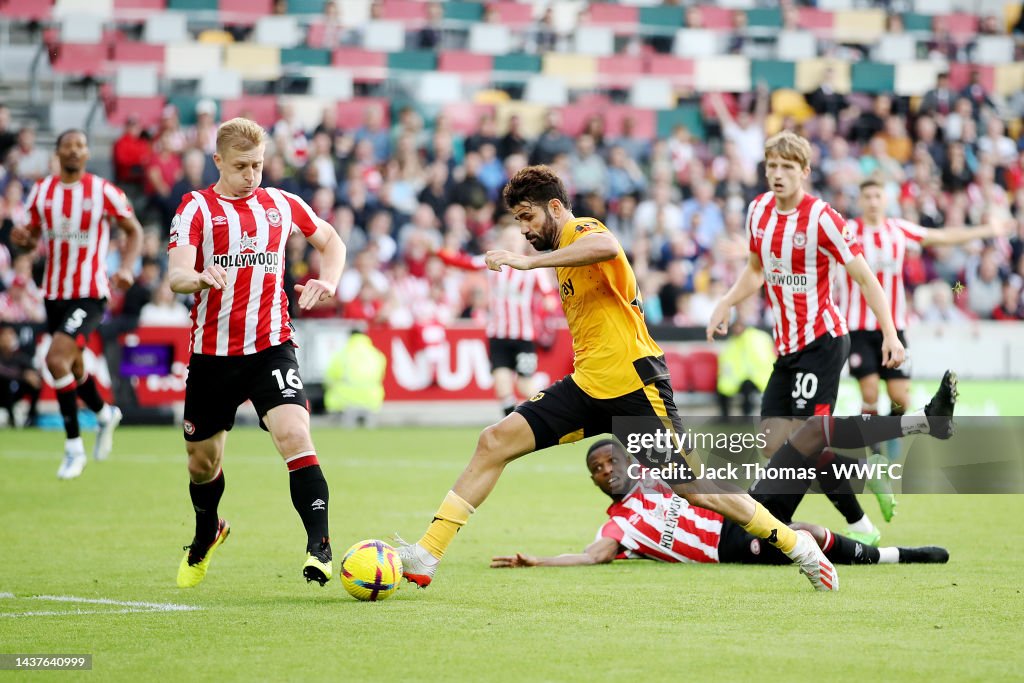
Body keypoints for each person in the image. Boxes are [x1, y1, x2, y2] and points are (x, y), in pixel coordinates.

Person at [396, 165, 843, 593]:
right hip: (588, 386)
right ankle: (426, 554)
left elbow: (608, 247)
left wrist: (529, 262)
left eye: (527, 216)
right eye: (517, 221)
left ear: (554, 207)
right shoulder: (562, 253)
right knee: (495, 440)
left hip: (635, 386)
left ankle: (797, 546)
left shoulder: (580, 230)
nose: (524, 230)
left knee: (695, 490)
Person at [166, 118, 347, 589]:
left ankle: (320, 547)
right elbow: (177, 274)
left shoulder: (282, 204)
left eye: (259, 165)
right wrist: (199, 277)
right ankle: (209, 531)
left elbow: (332, 241)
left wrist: (329, 280)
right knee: (201, 463)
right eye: (243, 166)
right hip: (212, 356)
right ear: (219, 161)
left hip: (271, 348)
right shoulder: (195, 209)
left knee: (295, 435)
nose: (252, 175)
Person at [707, 131, 907, 547]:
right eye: (772, 166)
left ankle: (855, 528)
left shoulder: (822, 218)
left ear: (805, 172)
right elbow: (756, 270)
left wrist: (890, 333)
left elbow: (866, 279)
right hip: (787, 348)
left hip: (823, 342)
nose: (777, 175)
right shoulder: (758, 210)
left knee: (805, 442)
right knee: (773, 445)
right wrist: (726, 302)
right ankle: (863, 479)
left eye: (787, 167)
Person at [491, 438, 949, 569]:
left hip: (741, 508)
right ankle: (897, 554)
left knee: (808, 442)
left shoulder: (661, 473)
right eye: (597, 469)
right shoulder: (620, 524)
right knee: (804, 535)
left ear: (629, 461)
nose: (606, 470)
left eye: (611, 461)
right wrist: (538, 561)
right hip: (728, 544)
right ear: (594, 481)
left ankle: (865, 486)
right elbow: (593, 556)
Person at [838, 179, 1007, 515]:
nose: (872, 201)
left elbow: (942, 236)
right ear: (861, 200)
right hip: (858, 327)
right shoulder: (847, 231)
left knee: (901, 396)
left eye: (877, 195)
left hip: (895, 327)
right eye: (867, 195)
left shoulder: (898, 230)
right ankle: (875, 459)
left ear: (884, 199)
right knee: (870, 392)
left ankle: (890, 440)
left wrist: (985, 229)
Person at [11, 129, 142, 479]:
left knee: (55, 360)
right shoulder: (42, 191)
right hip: (54, 294)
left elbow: (134, 230)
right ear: (58, 152)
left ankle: (73, 447)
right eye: (68, 145)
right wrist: (20, 240)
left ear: (86, 153)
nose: (74, 151)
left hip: (90, 292)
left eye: (81, 145)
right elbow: (30, 240)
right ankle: (103, 414)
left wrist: (127, 268)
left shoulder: (102, 191)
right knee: (76, 367)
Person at [438, 224, 557, 417]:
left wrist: (549, 302)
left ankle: (553, 414)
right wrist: (439, 251)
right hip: (498, 335)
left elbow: (549, 294)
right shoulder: (491, 262)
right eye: (507, 237)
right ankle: (512, 424)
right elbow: (463, 262)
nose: (511, 241)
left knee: (525, 385)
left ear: (523, 242)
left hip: (523, 336)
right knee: (502, 386)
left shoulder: (533, 268)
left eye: (515, 237)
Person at [0, 324, 41, 428]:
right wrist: (21, 375)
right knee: (7, 383)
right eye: (5, 336)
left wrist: (32, 376)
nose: (8, 339)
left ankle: (31, 417)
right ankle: (11, 418)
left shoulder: (20, 356)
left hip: (16, 393)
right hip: (2, 392)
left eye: (10, 336)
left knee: (35, 383)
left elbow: (32, 372)